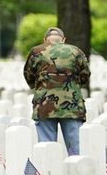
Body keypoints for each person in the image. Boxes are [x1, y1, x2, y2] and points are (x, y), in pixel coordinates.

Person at [23, 27, 90, 156]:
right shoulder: (76, 51)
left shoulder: (36, 51)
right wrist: (72, 87)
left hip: (45, 105)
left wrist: (41, 86)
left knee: (46, 149)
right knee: (76, 150)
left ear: (45, 40)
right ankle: (77, 174)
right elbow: (85, 76)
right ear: (63, 40)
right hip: (72, 106)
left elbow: (29, 76)